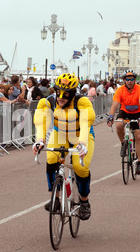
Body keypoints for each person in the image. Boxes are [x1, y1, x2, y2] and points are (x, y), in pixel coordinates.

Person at [32, 73, 95, 221]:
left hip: (80, 135)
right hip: (60, 134)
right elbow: (41, 122)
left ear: (73, 94)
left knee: (80, 167)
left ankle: (84, 201)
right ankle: (56, 198)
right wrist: (39, 140)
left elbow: (86, 124)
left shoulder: (82, 102)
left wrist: (83, 143)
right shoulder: (48, 102)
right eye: (58, 92)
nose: (61, 97)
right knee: (51, 158)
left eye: (66, 94)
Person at [107, 69, 140, 175]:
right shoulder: (120, 90)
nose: (130, 81)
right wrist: (111, 116)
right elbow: (114, 106)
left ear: (134, 80)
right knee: (119, 125)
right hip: (124, 112)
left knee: (138, 136)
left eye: (132, 79)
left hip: (137, 113)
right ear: (124, 80)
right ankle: (123, 143)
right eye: (127, 79)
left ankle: (139, 162)